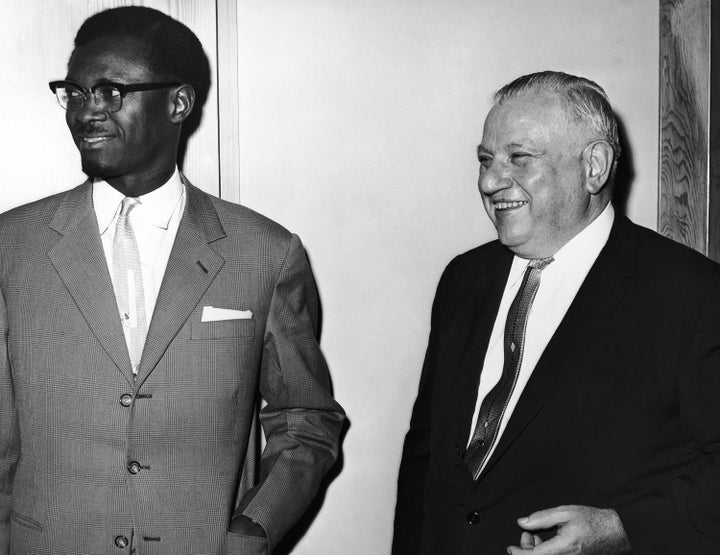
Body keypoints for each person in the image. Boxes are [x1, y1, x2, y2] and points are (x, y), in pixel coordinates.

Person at [0, 6, 344, 554]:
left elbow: (306, 417)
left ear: (178, 102)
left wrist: (255, 525)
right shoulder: (11, 247)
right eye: (75, 92)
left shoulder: (265, 253)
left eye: (111, 92)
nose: (86, 111)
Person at [393, 71, 720, 554]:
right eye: (485, 160)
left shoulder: (692, 294)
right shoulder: (465, 279)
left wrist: (622, 529)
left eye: (518, 158)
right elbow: (424, 456)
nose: (489, 180)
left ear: (594, 166)